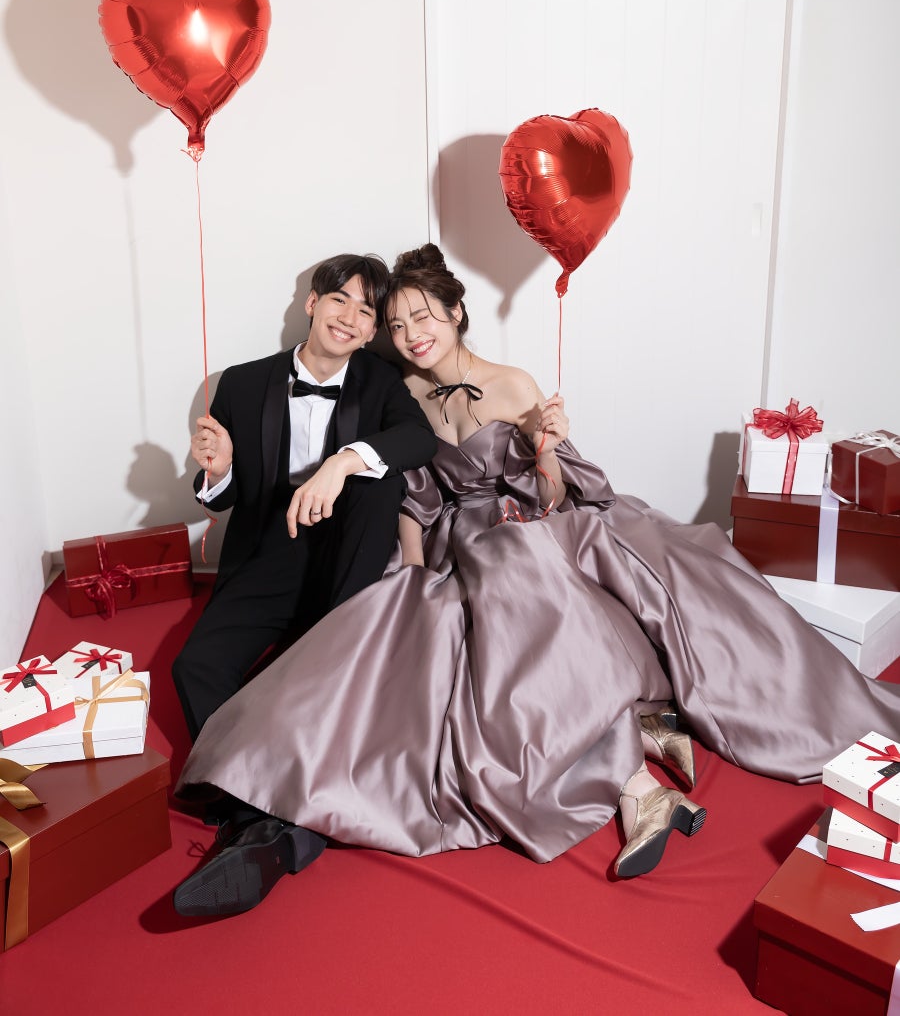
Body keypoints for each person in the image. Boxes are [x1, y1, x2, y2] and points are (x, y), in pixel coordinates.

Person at [174, 243, 900, 916]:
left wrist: (545, 451)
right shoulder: (394, 395)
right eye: (395, 324)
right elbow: (408, 500)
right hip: (443, 540)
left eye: (419, 317)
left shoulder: (503, 384)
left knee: (524, 572)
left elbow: (554, 492)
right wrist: (415, 579)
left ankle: (639, 767)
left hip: (529, 524)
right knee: (460, 611)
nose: (409, 334)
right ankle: (638, 750)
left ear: (456, 312)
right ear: (322, 309)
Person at [170, 253, 437, 876]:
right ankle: (259, 814)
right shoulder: (241, 383)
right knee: (195, 666)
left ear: (371, 332)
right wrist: (218, 470)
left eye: (366, 312)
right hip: (267, 552)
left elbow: (417, 439)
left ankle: (276, 803)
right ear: (313, 304)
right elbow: (224, 497)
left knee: (378, 480)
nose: (350, 318)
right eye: (339, 300)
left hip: (345, 560)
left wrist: (343, 462)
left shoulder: (378, 382)